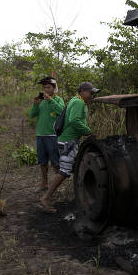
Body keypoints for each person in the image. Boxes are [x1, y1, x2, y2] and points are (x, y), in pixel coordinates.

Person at [40, 82, 99, 212]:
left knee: (74, 167)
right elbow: (74, 120)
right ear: (83, 91)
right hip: (68, 141)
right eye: (91, 93)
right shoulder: (78, 102)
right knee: (64, 172)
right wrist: (88, 131)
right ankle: (46, 198)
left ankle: (80, 195)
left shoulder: (75, 99)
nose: (92, 96)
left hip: (68, 140)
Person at [30, 76, 65, 192]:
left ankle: (58, 186)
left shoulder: (58, 100)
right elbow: (32, 115)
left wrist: (50, 100)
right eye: (44, 87)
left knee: (55, 162)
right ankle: (44, 184)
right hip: (40, 135)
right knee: (42, 162)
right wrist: (35, 104)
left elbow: (61, 111)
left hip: (52, 135)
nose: (46, 89)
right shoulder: (41, 100)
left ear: (54, 88)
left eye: (48, 87)